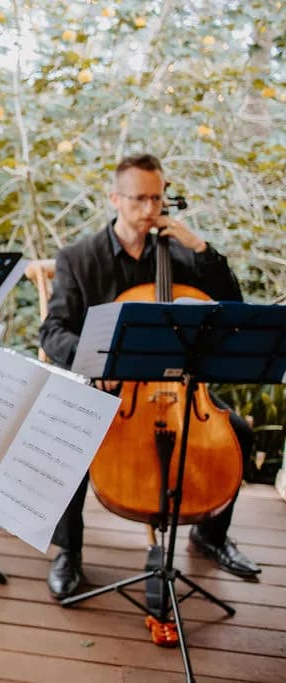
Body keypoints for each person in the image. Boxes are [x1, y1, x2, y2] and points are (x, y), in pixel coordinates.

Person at [40, 152, 260, 600]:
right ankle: (69, 551)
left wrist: (199, 248)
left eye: (156, 199)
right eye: (139, 199)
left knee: (237, 432)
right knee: (68, 438)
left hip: (179, 393)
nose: (149, 210)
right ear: (115, 199)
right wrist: (94, 364)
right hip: (110, 389)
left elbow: (233, 305)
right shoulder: (80, 258)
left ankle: (211, 537)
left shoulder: (180, 255)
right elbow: (53, 330)